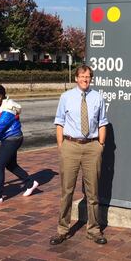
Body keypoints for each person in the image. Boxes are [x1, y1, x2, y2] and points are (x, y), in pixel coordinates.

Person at [50, 65, 109, 246]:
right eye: (82, 76)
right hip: (70, 146)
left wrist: (101, 145)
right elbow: (59, 121)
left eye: (88, 76)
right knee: (67, 191)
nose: (85, 79)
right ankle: (62, 229)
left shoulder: (98, 97)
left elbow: (102, 123)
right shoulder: (66, 97)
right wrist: (61, 145)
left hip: (92, 147)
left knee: (93, 193)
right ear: (76, 78)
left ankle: (93, 230)